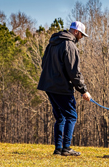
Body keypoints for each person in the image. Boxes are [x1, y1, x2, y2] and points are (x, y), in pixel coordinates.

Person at [37, 21, 92, 156]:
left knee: (60, 118)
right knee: (71, 116)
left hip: (49, 86)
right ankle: (66, 148)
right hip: (61, 87)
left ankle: (58, 149)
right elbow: (74, 72)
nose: (82, 38)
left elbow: (43, 63)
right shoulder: (70, 45)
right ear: (76, 32)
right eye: (82, 35)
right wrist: (83, 90)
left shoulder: (52, 43)